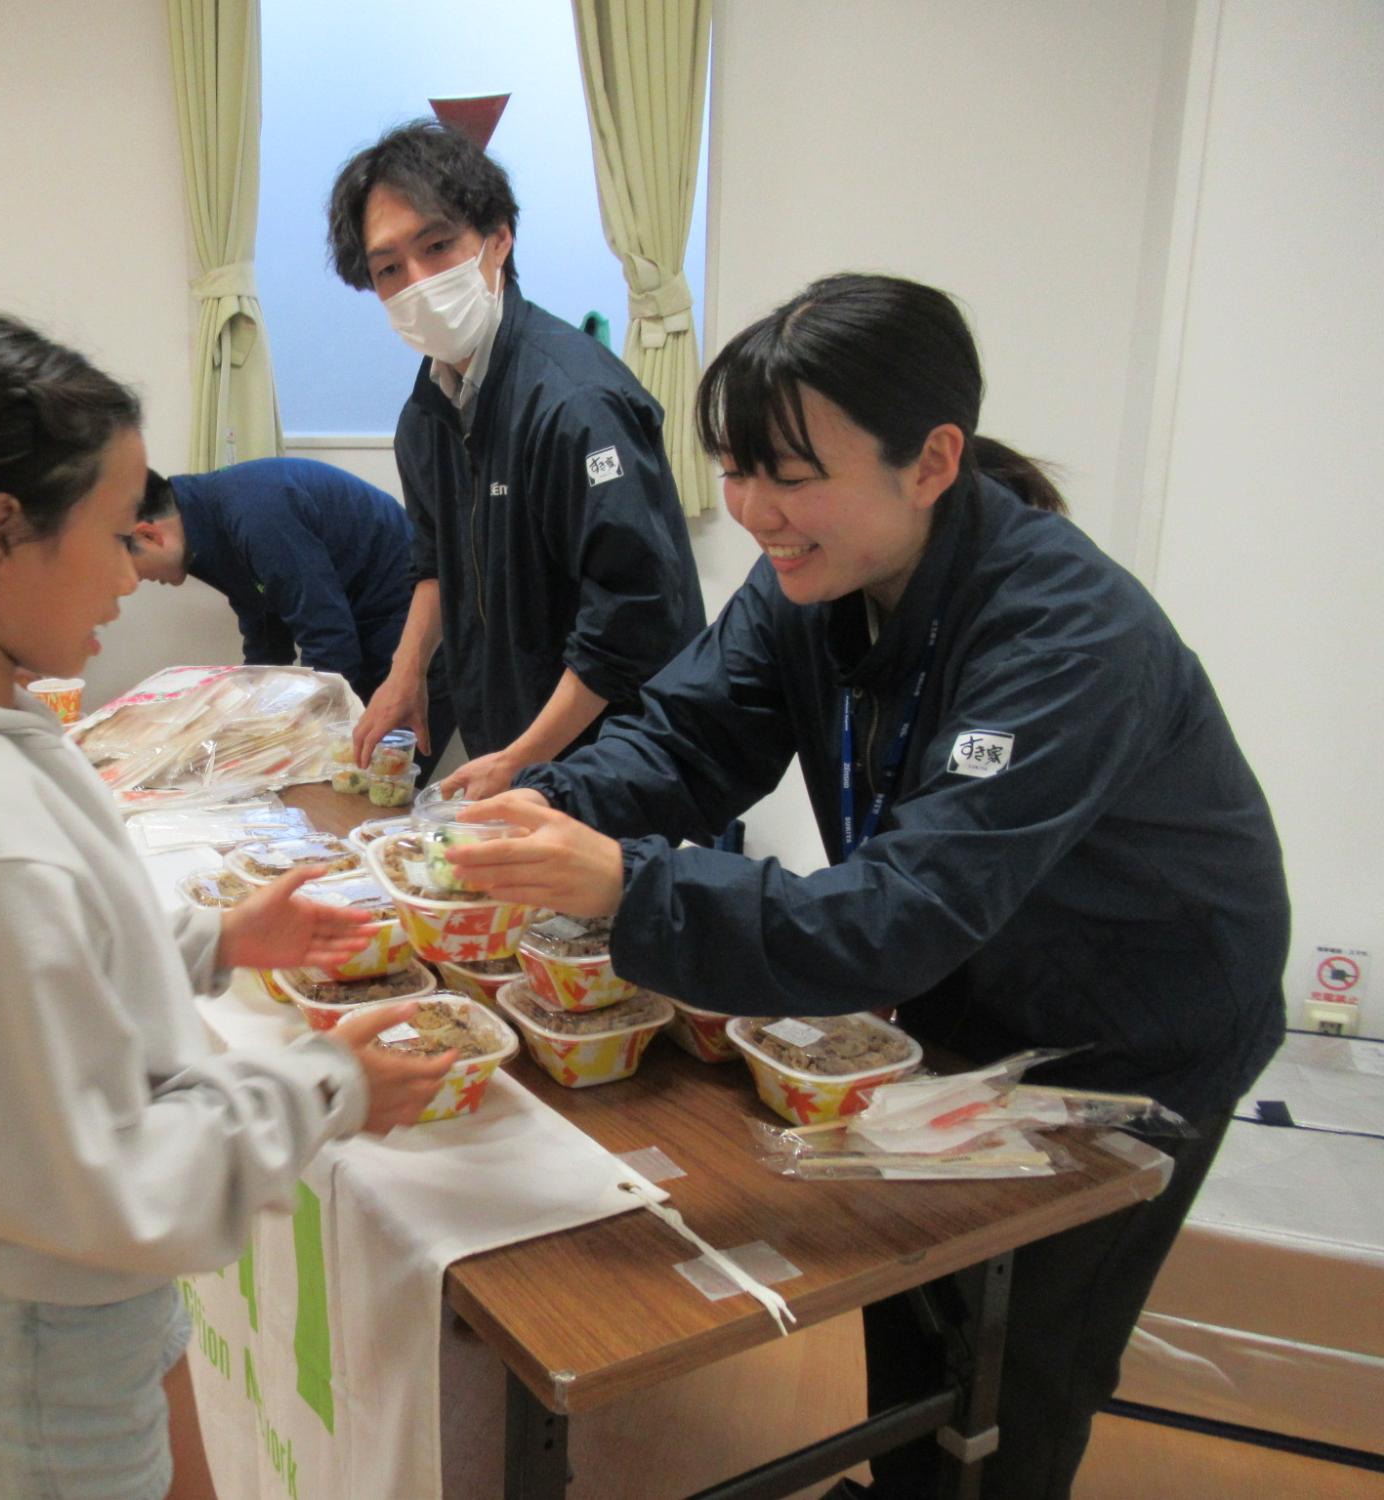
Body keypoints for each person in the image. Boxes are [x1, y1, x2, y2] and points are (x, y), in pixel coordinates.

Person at [443, 273, 1288, 1500]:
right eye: (734, 470)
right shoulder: (816, 575)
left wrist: (627, 884)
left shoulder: (1068, 637)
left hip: (1136, 1022)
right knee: (918, 1283)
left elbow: (904, 910)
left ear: (930, 462)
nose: (752, 512)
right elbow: (685, 737)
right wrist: (550, 805)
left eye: (788, 476)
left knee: (1027, 1351)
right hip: (962, 982)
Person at [0, 308, 453, 1500]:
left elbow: (49, 959)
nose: (130, 573)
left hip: (75, 1297)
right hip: (36, 1329)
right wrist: (327, 1089)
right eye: (113, 536)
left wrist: (220, 936)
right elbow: (95, 1176)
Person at [326, 120, 706, 797]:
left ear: (497, 239)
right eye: (388, 269)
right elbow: (434, 560)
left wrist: (525, 758)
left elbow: (633, 613)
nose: (417, 282)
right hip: (514, 741)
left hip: (613, 757)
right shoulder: (427, 413)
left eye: (437, 246)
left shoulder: (575, 402)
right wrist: (405, 674)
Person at [132, 456, 456, 777]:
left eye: (129, 566)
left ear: (148, 535)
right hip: (362, 631)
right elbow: (265, 637)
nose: (134, 580)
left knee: (378, 786)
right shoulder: (206, 523)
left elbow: (328, 640)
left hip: (415, 637)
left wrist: (298, 735)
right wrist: (249, 716)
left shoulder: (255, 512)